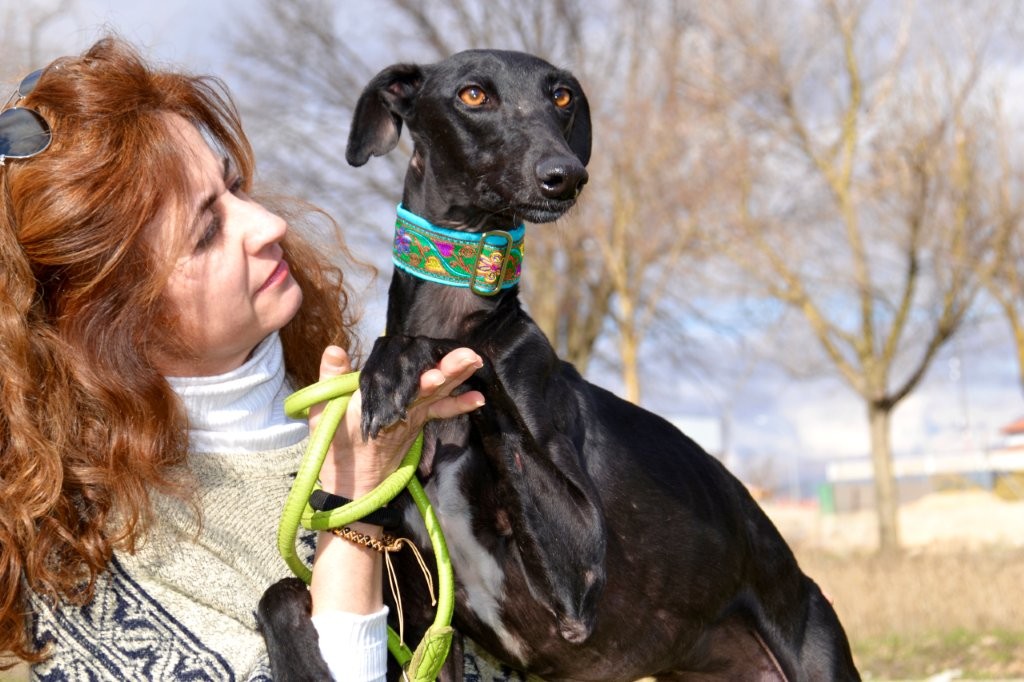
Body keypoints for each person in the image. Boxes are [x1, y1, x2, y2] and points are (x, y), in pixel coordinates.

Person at [0, 36, 497, 681]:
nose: (267, 227)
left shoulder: (400, 405)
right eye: (206, 231)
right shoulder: (84, 563)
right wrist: (353, 503)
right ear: (106, 319)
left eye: (234, 189)